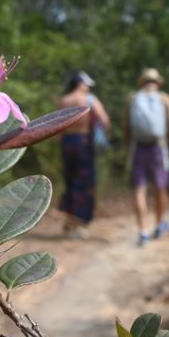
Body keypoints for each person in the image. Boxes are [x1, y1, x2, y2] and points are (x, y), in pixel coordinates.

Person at [123, 68, 169, 246]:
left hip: (137, 148)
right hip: (158, 148)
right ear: (157, 82)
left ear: (142, 82)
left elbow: (126, 126)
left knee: (139, 188)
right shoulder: (165, 99)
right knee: (160, 187)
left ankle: (143, 231)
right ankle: (158, 224)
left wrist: (128, 145)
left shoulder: (132, 99)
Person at [58, 71, 111, 237]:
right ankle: (79, 224)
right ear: (80, 83)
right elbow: (105, 120)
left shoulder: (64, 101)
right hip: (83, 143)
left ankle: (69, 222)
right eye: (86, 83)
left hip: (67, 143)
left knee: (70, 181)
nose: (88, 87)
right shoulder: (89, 100)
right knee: (84, 182)